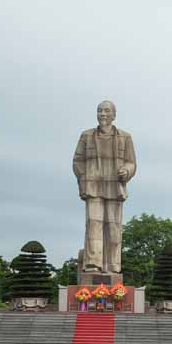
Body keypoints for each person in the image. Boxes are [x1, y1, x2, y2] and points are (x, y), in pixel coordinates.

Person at [72, 100, 137, 273]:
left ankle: (113, 266)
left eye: (106, 111)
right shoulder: (86, 136)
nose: (102, 114)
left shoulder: (125, 137)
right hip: (93, 186)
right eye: (100, 111)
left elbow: (132, 162)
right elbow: (77, 161)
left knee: (114, 229)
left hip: (115, 187)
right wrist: (84, 177)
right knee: (94, 225)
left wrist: (126, 171)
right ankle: (93, 263)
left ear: (114, 115)